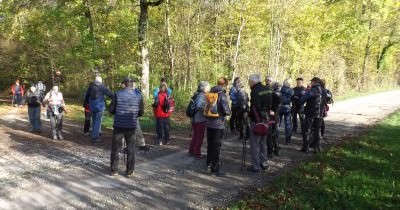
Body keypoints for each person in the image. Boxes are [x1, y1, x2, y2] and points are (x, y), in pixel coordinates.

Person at [109, 78, 144, 177]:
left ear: (124, 84)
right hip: (131, 126)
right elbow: (141, 112)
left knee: (116, 148)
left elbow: (111, 109)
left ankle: (114, 170)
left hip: (119, 125)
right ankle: (130, 171)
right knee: (131, 149)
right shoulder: (138, 95)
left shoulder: (117, 94)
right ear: (132, 85)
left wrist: (116, 112)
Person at [247, 73, 272, 173]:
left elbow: (255, 107)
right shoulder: (267, 88)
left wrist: (249, 115)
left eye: (249, 81)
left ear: (253, 81)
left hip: (257, 120)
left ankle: (256, 166)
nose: (248, 82)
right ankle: (264, 163)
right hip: (266, 118)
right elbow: (274, 101)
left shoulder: (255, 91)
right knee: (263, 142)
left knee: (255, 143)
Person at [206, 77, 231, 177]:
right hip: (218, 124)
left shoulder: (210, 93)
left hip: (209, 123)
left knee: (210, 144)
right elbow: (226, 111)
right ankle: (215, 169)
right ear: (224, 84)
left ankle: (208, 163)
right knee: (216, 146)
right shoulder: (222, 95)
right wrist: (229, 112)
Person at [84, 76, 113, 143]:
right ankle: (95, 137)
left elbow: (86, 96)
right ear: (101, 81)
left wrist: (85, 104)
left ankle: (94, 134)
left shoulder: (90, 87)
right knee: (98, 121)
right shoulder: (102, 87)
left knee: (94, 120)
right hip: (99, 107)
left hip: (92, 106)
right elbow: (110, 94)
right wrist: (117, 98)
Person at [299, 77, 323, 153]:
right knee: (317, 130)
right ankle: (317, 147)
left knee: (307, 130)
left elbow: (302, 99)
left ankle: (306, 148)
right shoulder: (324, 90)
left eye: (312, 81)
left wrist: (299, 104)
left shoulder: (312, 91)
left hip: (310, 113)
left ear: (315, 82)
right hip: (320, 114)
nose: (311, 83)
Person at [188, 81, 210, 159]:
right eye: (208, 87)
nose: (209, 88)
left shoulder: (196, 94)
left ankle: (192, 151)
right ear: (204, 88)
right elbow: (199, 106)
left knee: (195, 136)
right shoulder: (202, 95)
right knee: (199, 137)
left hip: (195, 119)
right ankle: (197, 154)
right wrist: (207, 110)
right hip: (200, 119)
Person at [265, 76, 282, 158]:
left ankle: (276, 150)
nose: (267, 82)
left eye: (269, 81)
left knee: (273, 133)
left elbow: (278, 101)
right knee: (269, 133)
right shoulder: (265, 89)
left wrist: (273, 110)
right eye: (266, 80)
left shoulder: (276, 90)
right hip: (268, 114)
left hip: (274, 115)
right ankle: (270, 151)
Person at [279, 79, 294, 144]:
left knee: (277, 123)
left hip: (279, 107)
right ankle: (288, 139)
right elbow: (293, 100)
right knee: (288, 124)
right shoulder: (292, 91)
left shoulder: (280, 89)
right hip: (287, 107)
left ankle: (274, 137)